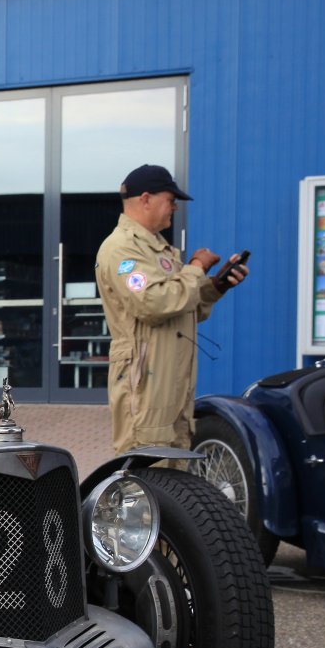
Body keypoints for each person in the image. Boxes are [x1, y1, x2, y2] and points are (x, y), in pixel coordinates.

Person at [95, 165, 248, 456]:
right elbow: (153, 303)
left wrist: (216, 286)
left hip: (171, 383)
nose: (175, 208)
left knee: (174, 468)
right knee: (149, 466)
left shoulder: (158, 250)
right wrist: (196, 267)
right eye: (171, 200)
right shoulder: (121, 249)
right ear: (145, 199)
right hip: (145, 385)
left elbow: (182, 307)